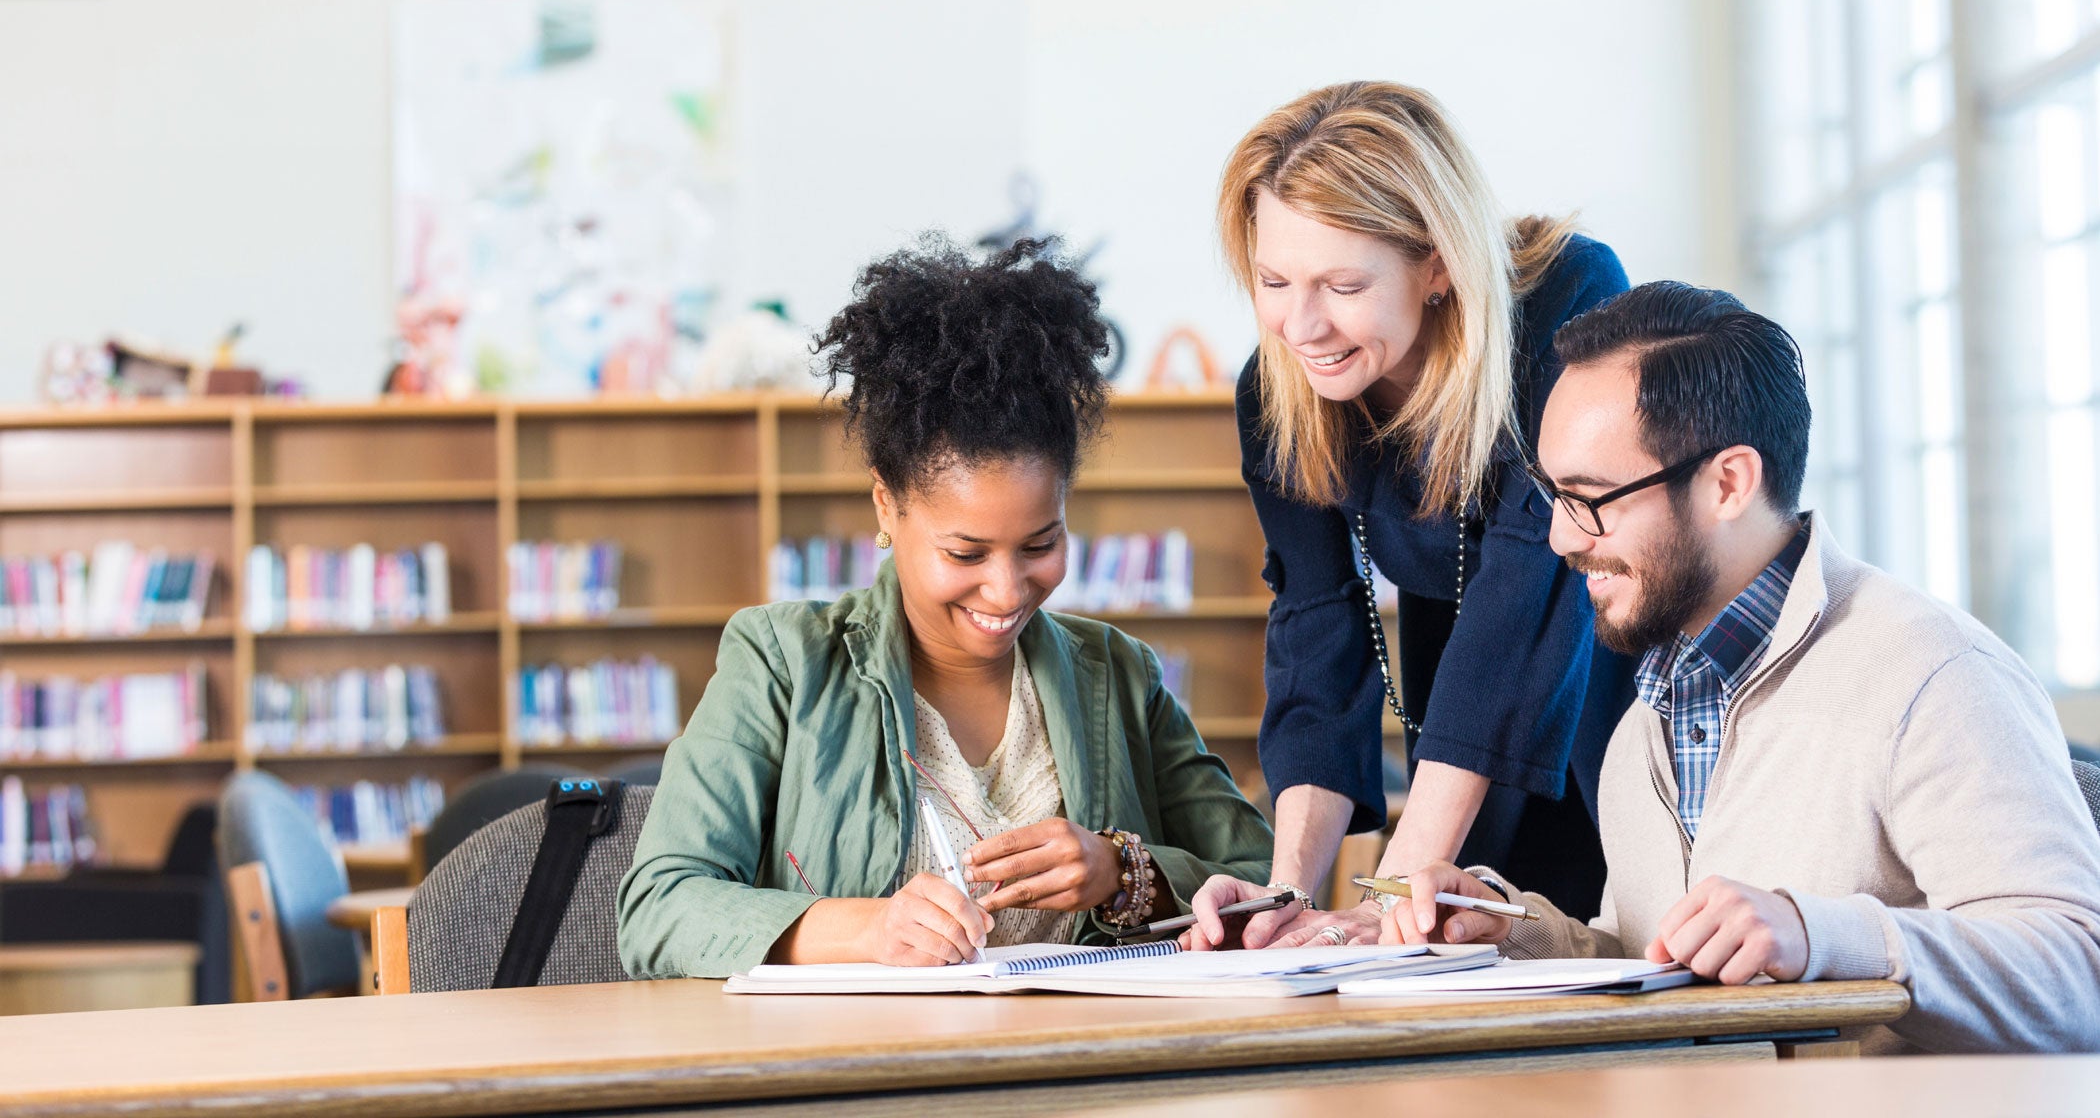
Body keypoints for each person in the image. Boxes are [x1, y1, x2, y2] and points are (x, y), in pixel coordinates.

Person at [1390, 282, 2100, 1054]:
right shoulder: (1642, 721)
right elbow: (1658, 967)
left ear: (1728, 483)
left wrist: (1815, 933)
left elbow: (2075, 973)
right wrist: (1521, 934)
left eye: (1592, 499)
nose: (1561, 538)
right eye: (1552, 496)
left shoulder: (1937, 676)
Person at [618, 238, 1274, 978]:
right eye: (965, 554)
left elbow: (1266, 883)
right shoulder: (783, 663)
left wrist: (1123, 875)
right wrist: (866, 931)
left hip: (1086, 1072)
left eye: (1040, 545)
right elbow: (660, 906)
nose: (1006, 591)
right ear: (886, 507)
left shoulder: (1118, 675)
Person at [1191, 82, 1631, 950]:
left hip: (1614, 674)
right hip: (1460, 697)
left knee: (1604, 950)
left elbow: (1528, 590)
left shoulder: (1567, 299)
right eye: (1273, 280)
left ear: (1437, 264)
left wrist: (1394, 889)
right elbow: (1317, 631)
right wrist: (1286, 895)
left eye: (1343, 284)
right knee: (1451, 952)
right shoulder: (1276, 390)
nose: (1300, 324)